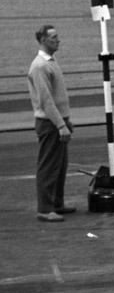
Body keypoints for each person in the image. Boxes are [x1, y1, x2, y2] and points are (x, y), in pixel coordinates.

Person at [28, 25, 75, 221]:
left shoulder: (51, 61)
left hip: (58, 121)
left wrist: (66, 119)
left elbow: (56, 96)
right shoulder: (40, 66)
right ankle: (45, 209)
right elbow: (46, 101)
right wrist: (60, 124)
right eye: (54, 37)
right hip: (50, 124)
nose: (58, 40)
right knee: (49, 167)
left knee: (60, 166)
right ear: (43, 41)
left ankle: (56, 203)